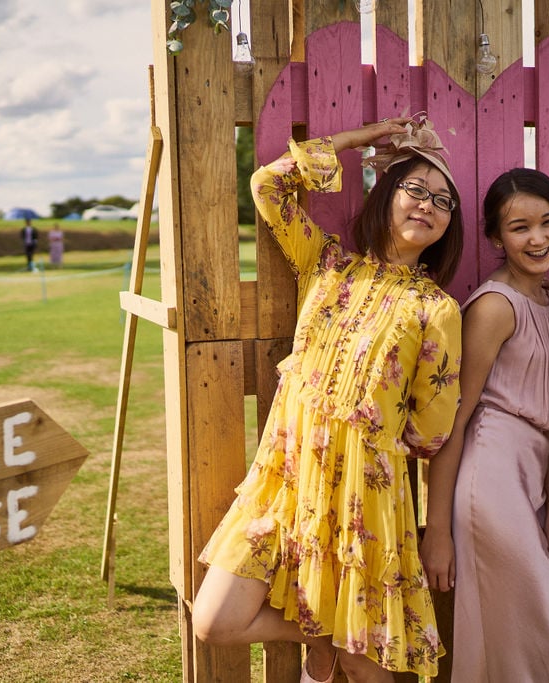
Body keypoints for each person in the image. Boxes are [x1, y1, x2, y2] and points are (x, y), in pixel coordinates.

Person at [191, 114, 465, 682]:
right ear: (386, 195)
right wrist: (361, 139)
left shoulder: (436, 310)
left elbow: (431, 431)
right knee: (214, 620)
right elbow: (268, 186)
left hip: (365, 502)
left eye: (443, 201)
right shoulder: (328, 265)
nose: (428, 206)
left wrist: (369, 427)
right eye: (416, 189)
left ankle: (343, 633)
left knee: (368, 674)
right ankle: (325, 627)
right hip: (287, 482)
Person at [419, 168, 549, 682]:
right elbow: (454, 423)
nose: (538, 238)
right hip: (489, 483)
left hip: (531, 482)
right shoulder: (493, 308)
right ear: (495, 237)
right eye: (519, 228)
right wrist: (438, 531)